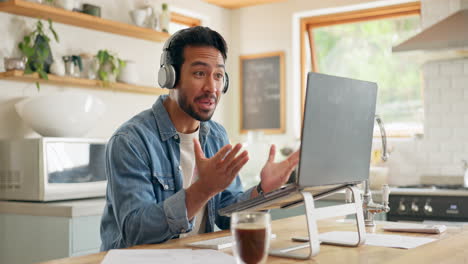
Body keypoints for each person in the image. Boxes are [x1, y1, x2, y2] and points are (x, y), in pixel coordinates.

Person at [100, 26, 299, 251]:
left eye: (218, 75)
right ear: (170, 77)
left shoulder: (216, 135)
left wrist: (262, 192)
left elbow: (226, 215)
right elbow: (136, 231)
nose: (212, 87)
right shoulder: (130, 141)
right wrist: (203, 188)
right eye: (199, 74)